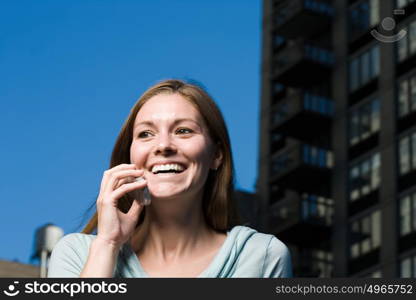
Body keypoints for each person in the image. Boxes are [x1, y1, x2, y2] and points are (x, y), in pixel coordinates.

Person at [47, 79, 292, 278]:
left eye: (183, 131)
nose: (163, 145)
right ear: (130, 156)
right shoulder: (76, 254)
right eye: (146, 134)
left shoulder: (262, 256)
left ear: (217, 155)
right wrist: (108, 244)